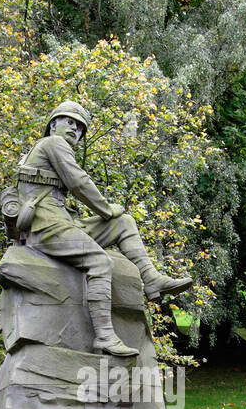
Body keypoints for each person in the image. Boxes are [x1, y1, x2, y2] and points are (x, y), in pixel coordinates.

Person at [13, 100, 192, 357]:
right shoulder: (54, 143)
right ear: (53, 124)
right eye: (70, 122)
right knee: (99, 261)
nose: (75, 130)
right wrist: (106, 209)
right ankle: (105, 336)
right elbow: (78, 182)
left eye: (81, 127)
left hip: (62, 221)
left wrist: (111, 215)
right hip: (46, 226)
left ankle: (152, 280)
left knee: (124, 222)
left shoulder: (48, 146)